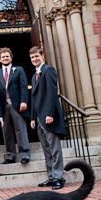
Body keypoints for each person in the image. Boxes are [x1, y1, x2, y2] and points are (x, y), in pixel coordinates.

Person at [28, 47, 66, 189]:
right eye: (32, 58)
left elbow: (52, 93)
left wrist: (50, 113)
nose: (34, 60)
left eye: (36, 56)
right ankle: (51, 176)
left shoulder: (48, 70)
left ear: (42, 55)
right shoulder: (34, 75)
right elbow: (34, 98)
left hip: (48, 116)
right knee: (46, 149)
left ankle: (58, 177)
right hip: (38, 118)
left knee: (54, 148)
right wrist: (32, 117)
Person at [0, 48, 31, 164]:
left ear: (11, 57)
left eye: (7, 56)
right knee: (7, 132)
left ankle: (24, 154)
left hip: (17, 105)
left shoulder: (18, 70)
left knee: (20, 129)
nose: (5, 58)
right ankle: (10, 156)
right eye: (3, 57)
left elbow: (24, 87)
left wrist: (24, 101)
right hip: (4, 107)